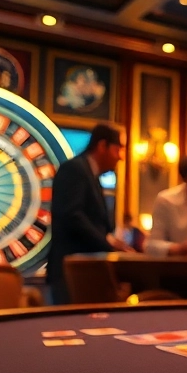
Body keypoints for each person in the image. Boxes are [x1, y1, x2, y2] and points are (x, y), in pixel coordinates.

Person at [46, 123, 131, 304]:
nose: (121, 157)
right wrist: (108, 243)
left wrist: (111, 240)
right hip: (70, 272)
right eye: (118, 149)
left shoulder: (90, 173)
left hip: (84, 273)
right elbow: (72, 216)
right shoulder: (74, 169)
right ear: (102, 146)